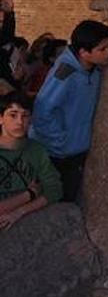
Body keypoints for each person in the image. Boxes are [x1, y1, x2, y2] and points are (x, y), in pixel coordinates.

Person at [30, 20, 108, 203]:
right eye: (102, 49)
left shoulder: (95, 71)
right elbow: (43, 110)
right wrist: (61, 142)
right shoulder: (65, 72)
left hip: (74, 151)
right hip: (56, 153)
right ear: (83, 52)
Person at [0, 90, 62, 230]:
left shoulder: (36, 150)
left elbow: (55, 190)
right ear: (1, 118)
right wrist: (29, 194)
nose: (19, 122)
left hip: (24, 223)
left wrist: (18, 212)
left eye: (25, 116)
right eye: (13, 115)